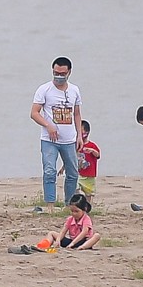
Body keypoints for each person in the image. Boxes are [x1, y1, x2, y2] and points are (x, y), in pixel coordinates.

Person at [30, 57, 82, 211]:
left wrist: (80, 135)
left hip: (69, 139)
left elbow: (77, 114)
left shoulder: (74, 90)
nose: (59, 76)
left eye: (62, 73)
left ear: (69, 72)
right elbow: (34, 113)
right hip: (49, 139)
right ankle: (50, 204)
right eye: (56, 73)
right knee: (49, 171)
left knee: (72, 173)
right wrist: (48, 125)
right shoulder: (44, 89)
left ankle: (69, 205)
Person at [77, 120, 101, 205]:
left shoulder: (92, 145)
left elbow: (98, 155)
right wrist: (63, 168)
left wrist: (92, 151)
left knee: (88, 193)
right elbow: (71, 158)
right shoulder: (76, 145)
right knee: (75, 187)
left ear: (86, 132)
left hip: (89, 174)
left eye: (81, 130)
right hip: (78, 173)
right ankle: (79, 201)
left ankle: (87, 206)